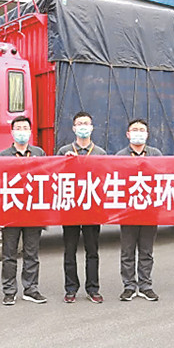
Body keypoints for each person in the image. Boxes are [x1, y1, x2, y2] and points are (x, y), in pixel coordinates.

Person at [58, 111, 107, 303]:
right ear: (73, 128)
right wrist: (65, 163)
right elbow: (56, 177)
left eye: (86, 124)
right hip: (70, 207)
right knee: (69, 250)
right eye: (79, 124)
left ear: (92, 128)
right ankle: (70, 288)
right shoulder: (64, 151)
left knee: (92, 251)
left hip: (92, 208)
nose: (83, 127)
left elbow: (105, 179)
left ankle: (93, 288)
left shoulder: (100, 153)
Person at [0, 116, 48, 305]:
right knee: (9, 254)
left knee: (31, 253)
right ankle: (9, 291)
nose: (21, 131)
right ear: (12, 133)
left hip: (33, 211)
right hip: (11, 211)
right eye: (18, 128)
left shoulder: (39, 153)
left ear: (30, 131)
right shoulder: (3, 156)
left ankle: (31, 289)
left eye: (25, 128)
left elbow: (47, 177)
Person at [115, 118, 162, 302]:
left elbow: (162, 179)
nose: (138, 133)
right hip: (128, 211)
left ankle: (145, 285)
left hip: (150, 211)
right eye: (135, 130)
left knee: (146, 251)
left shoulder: (156, 155)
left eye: (142, 130)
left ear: (147, 134)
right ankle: (129, 286)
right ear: (128, 134)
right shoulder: (120, 156)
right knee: (127, 251)